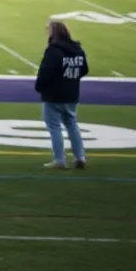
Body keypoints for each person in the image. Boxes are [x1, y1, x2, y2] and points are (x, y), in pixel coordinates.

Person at [36, 20, 90, 169]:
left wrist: (40, 87)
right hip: (71, 94)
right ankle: (80, 156)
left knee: (54, 127)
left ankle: (59, 159)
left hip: (53, 94)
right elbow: (84, 69)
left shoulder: (53, 50)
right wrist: (71, 79)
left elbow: (46, 72)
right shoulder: (78, 50)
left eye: (48, 30)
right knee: (72, 124)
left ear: (53, 33)